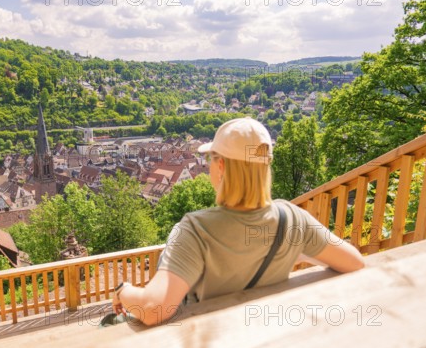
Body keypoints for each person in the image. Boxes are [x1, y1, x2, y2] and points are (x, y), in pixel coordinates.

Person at [112, 117, 364, 326]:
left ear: (221, 166)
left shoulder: (195, 230)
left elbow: (153, 309)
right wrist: (294, 253)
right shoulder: (293, 219)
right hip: (264, 344)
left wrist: (123, 290)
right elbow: (353, 262)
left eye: (211, 159)